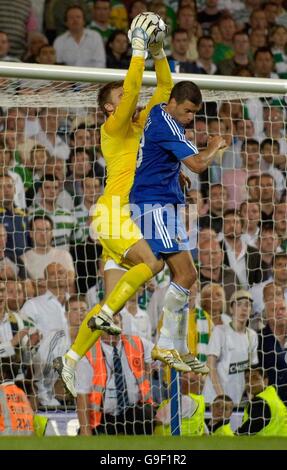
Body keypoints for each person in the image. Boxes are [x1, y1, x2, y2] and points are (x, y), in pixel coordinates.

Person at [54, 13, 179, 398]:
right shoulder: (113, 128)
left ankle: (71, 359)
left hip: (126, 219)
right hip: (114, 214)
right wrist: (137, 51)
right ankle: (103, 320)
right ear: (109, 109)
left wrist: (158, 53)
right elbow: (129, 93)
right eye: (121, 97)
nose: (129, 99)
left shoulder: (143, 125)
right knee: (154, 262)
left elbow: (167, 87)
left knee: (114, 305)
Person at [130, 79, 226, 377]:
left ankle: (177, 345)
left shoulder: (159, 114)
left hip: (163, 201)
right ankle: (165, 343)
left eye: (193, 114)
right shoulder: (167, 124)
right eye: (187, 111)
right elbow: (197, 164)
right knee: (185, 273)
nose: (189, 118)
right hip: (152, 203)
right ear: (173, 102)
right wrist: (212, 147)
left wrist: (175, 176)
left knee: (185, 276)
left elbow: (162, 158)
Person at [76, 313, 155, 435]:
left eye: (115, 323)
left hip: (134, 412)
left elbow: (161, 357)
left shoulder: (137, 343)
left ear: (121, 326)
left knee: (147, 413)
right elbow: (82, 395)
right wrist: (85, 429)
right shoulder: (88, 353)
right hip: (102, 416)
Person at [203, 290, 258, 407]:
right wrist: (221, 397)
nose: (243, 308)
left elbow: (251, 371)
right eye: (239, 304)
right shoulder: (220, 331)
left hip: (235, 401)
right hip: (214, 399)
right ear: (231, 309)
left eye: (247, 305)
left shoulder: (252, 335)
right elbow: (210, 366)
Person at [236, 367, 287, 436]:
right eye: (247, 379)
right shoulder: (271, 395)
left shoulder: (260, 401)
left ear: (265, 381)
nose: (250, 383)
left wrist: (234, 436)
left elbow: (250, 428)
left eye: (255, 378)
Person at [154, 371, 207, 436]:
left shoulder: (185, 400)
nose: (180, 381)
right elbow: (203, 429)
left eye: (182, 378)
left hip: (168, 442)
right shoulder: (200, 400)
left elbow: (158, 420)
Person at [0, 358, 34, 435]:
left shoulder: (1, 391)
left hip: (6, 436)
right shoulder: (21, 392)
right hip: (27, 435)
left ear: (2, 375)